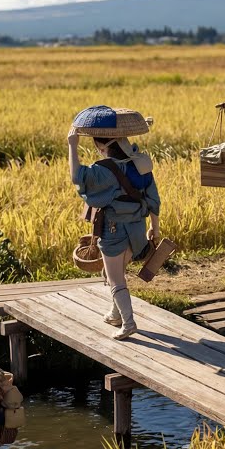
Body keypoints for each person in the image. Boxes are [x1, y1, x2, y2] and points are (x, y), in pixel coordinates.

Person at [69, 105, 161, 339]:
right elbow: (154, 199)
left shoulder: (103, 171)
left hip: (114, 230)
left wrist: (72, 145)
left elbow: (77, 178)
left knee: (115, 278)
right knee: (114, 273)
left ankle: (129, 323)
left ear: (102, 146)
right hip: (137, 229)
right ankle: (115, 314)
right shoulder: (141, 164)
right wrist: (155, 228)